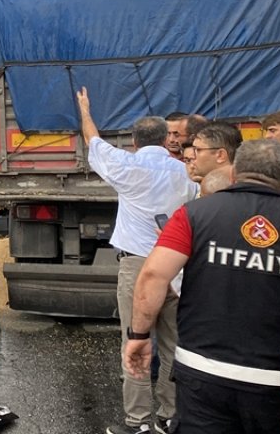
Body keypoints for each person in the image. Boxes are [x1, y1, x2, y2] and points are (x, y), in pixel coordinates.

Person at [124, 140, 280, 434]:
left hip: (202, 372)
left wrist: (138, 335)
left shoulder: (193, 215)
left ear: (233, 174)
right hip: (277, 379)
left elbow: (153, 276)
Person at [76, 87, 198, 434]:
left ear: (133, 141)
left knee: (135, 343)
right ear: (167, 140)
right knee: (176, 344)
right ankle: (170, 416)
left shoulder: (126, 167)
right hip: (177, 267)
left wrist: (85, 110)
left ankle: (137, 422)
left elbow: (94, 141)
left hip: (138, 268)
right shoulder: (185, 173)